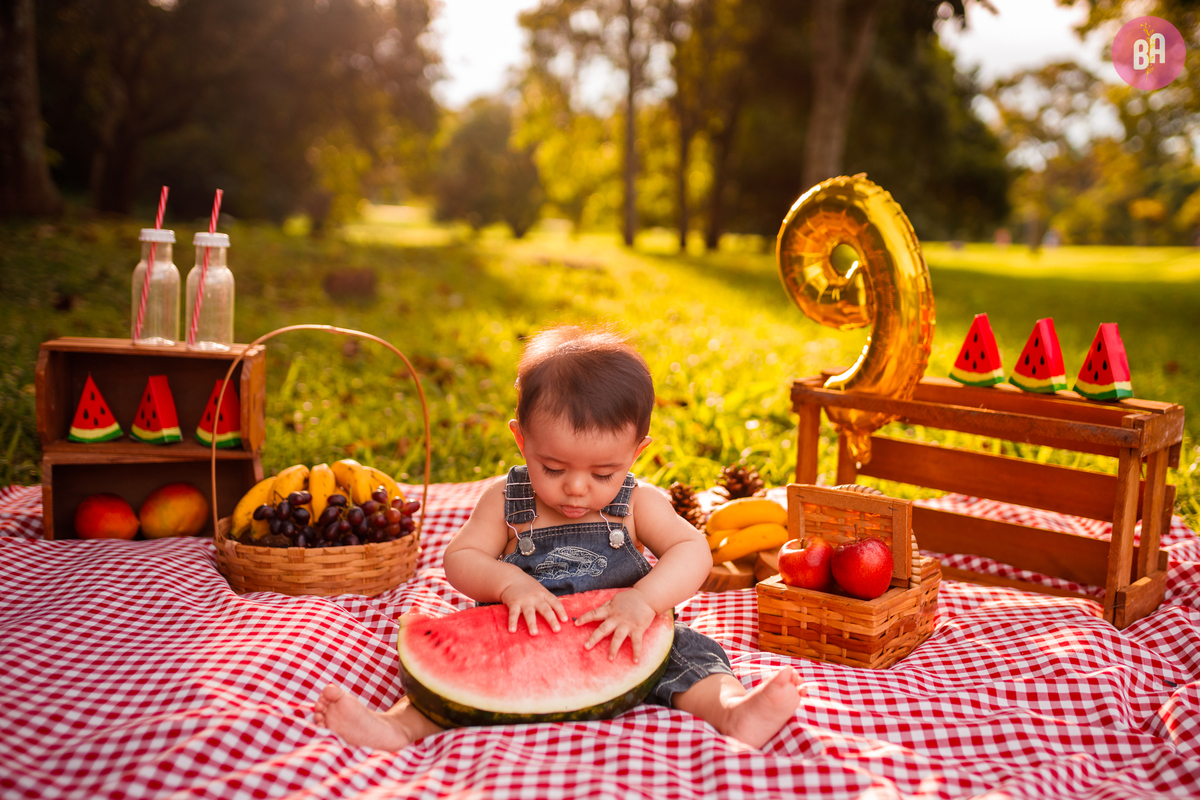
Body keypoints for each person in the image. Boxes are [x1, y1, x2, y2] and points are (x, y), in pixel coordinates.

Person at [314, 325, 801, 750]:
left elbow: (691, 549)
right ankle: (399, 728)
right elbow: (459, 558)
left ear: (636, 453)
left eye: (604, 472)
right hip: (523, 634)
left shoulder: (637, 502)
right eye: (552, 467)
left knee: (692, 656)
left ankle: (733, 711)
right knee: (458, 674)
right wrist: (509, 584)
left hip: (623, 635)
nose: (575, 487)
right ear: (522, 440)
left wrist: (645, 601)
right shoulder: (505, 499)